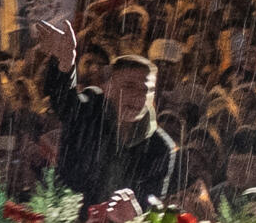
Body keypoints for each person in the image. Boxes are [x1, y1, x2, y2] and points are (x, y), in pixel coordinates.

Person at [34, 17, 179, 209]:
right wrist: (65, 62)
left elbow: (149, 209)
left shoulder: (160, 148)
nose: (137, 97)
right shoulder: (89, 111)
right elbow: (63, 101)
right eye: (128, 86)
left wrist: (129, 216)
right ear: (108, 89)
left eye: (146, 90)